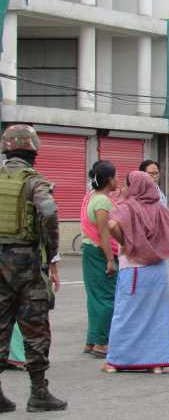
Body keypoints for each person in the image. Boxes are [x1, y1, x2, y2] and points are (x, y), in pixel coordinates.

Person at [0, 125, 67, 412]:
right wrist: (51, 253)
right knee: (35, 326)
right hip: (26, 262)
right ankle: (38, 393)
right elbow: (49, 212)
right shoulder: (34, 182)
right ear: (33, 151)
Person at [103, 171, 169, 374]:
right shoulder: (158, 208)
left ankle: (116, 361)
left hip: (133, 270)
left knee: (125, 315)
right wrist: (166, 245)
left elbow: (112, 224)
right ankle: (156, 362)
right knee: (156, 317)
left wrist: (126, 241)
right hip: (158, 271)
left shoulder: (128, 207)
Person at [81, 160, 120, 359]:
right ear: (108, 180)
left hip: (88, 250)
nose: (118, 180)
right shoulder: (103, 202)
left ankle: (91, 340)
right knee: (107, 298)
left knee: (94, 298)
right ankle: (102, 343)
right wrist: (110, 260)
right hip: (99, 252)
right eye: (115, 176)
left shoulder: (90, 197)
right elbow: (104, 233)